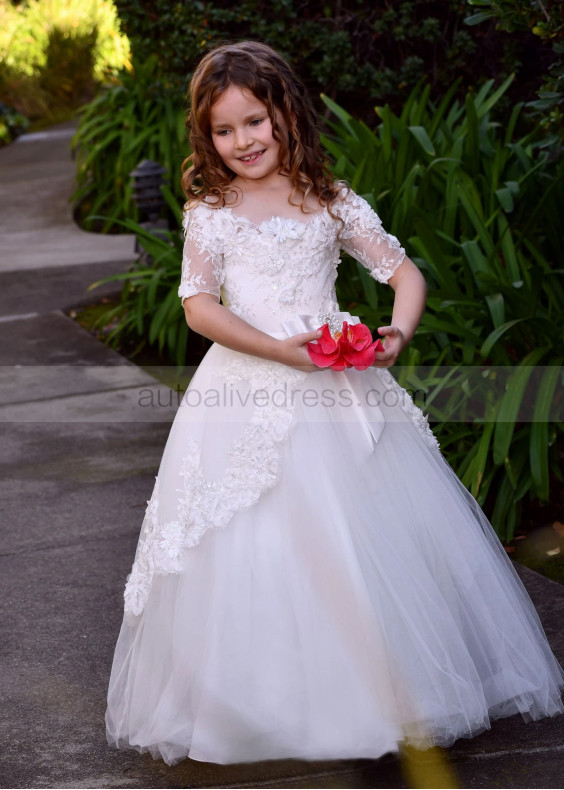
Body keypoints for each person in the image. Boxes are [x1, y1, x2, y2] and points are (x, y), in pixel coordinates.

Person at [106, 41, 563, 766]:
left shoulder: (328, 198)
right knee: (256, 541)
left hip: (343, 385)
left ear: (285, 111)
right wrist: (279, 348)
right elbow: (197, 307)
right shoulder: (211, 208)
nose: (242, 142)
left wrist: (393, 336)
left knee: (364, 540)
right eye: (223, 131)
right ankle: (265, 701)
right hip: (248, 390)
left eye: (254, 121)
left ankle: (383, 692)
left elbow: (403, 274)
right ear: (206, 137)